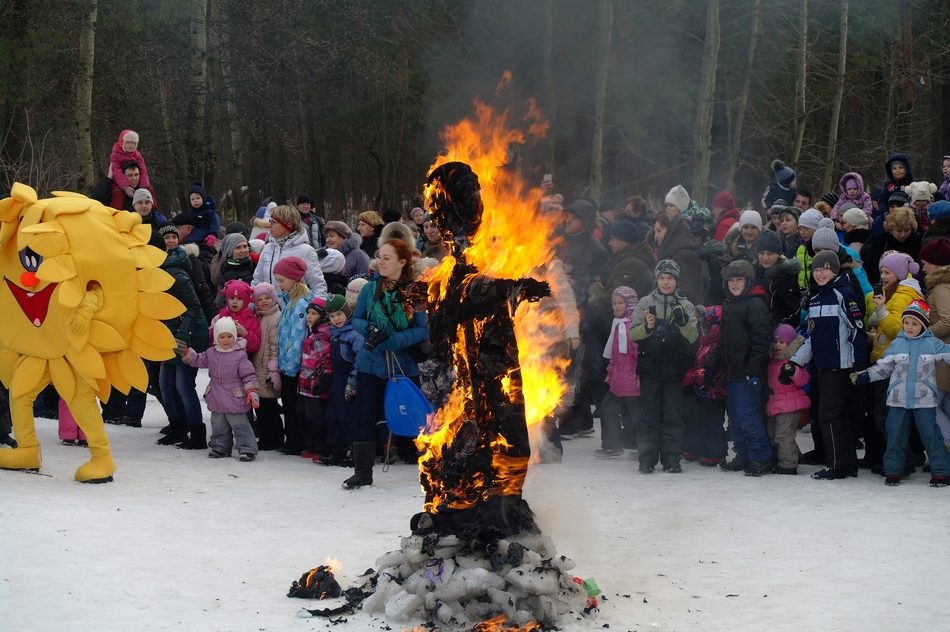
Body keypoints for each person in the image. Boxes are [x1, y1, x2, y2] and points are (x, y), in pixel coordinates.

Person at [346, 239, 429, 489]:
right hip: (370, 363)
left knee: (416, 414)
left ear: (402, 262)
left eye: (387, 258)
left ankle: (429, 466)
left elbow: (422, 330)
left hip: (403, 364)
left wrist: (394, 340)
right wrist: (370, 330)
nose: (380, 262)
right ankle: (362, 472)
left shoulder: (416, 292)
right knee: (365, 417)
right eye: (379, 256)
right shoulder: (370, 290)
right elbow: (356, 319)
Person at [787, 251, 867, 480]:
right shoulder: (815, 299)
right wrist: (794, 361)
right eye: (816, 270)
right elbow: (812, 338)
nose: (819, 273)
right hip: (822, 366)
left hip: (840, 366)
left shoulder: (843, 294)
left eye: (824, 269)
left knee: (829, 414)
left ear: (834, 270)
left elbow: (856, 330)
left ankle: (837, 465)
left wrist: (858, 362)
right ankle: (846, 462)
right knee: (834, 414)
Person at [854, 300, 950, 487]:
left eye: (914, 324)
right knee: (895, 435)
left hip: (924, 400)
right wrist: (863, 376)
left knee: (931, 435)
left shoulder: (932, 344)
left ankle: (941, 471)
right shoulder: (897, 344)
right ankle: (893, 470)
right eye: (906, 322)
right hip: (898, 399)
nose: (909, 327)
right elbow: (882, 368)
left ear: (923, 324)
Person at [629, 259, 698, 473]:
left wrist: (683, 322)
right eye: (662, 278)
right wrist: (647, 328)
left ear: (677, 280)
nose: (666, 282)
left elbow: (693, 337)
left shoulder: (686, 305)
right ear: (656, 280)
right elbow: (633, 334)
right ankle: (647, 459)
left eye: (670, 278)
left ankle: (671, 459)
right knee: (648, 416)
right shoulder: (645, 303)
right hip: (649, 370)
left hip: (673, 371)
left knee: (673, 416)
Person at [705, 261, 772, 476]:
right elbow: (722, 340)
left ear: (748, 281)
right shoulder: (730, 304)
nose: (734, 284)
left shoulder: (755, 304)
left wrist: (753, 372)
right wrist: (711, 365)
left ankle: (760, 458)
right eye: (731, 280)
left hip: (746, 374)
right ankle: (743, 455)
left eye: (739, 280)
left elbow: (760, 342)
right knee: (734, 419)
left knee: (748, 417)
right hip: (732, 373)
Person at [557, 199, 610, 438]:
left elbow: (600, 282)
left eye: (575, 217)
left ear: (586, 223)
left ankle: (572, 421)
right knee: (563, 369)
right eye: (568, 216)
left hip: (583, 317)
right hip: (557, 314)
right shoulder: (558, 240)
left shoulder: (596, 249)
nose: (568, 220)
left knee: (577, 370)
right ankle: (583, 419)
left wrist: (578, 285)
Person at [182, 317, 260, 461]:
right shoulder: (211, 353)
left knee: (240, 425)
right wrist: (187, 353)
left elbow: (249, 375)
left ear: (235, 337)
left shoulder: (240, 355)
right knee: (219, 425)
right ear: (217, 337)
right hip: (217, 397)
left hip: (234, 398)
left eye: (229, 336)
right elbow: (198, 360)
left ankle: (247, 449)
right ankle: (220, 448)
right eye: (222, 337)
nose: (226, 340)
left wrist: (251, 391)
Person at [158, 240, 210, 449]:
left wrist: (183, 335)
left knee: (183, 386)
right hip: (168, 336)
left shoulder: (176, 275)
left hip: (187, 336)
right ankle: (177, 428)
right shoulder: (153, 275)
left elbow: (194, 306)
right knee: (165, 385)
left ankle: (197, 434)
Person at [272, 256, 316, 456]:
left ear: (294, 279)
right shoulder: (289, 300)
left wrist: (289, 366)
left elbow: (296, 338)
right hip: (287, 363)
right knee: (289, 403)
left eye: (282, 280)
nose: (279, 285)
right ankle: (292, 439)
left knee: (293, 405)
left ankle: (296, 441)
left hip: (294, 366)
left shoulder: (299, 305)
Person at [595, 286, 640, 458]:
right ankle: (612, 445)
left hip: (633, 382)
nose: (616, 306)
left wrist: (639, 375)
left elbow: (637, 354)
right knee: (607, 409)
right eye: (614, 303)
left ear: (630, 304)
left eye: (620, 303)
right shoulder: (617, 324)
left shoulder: (632, 327)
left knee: (638, 417)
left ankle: (645, 448)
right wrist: (610, 372)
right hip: (618, 381)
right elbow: (615, 354)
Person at [251, 204, 327, 295]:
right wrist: (252, 305)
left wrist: (315, 308)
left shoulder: (306, 251)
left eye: (273, 222)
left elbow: (318, 285)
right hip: (269, 307)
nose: (269, 225)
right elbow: (257, 281)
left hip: (296, 307)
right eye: (270, 221)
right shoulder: (268, 248)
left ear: (287, 225)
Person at [324, 294, 362, 466]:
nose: (336, 319)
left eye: (339, 314)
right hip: (335, 378)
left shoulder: (354, 334)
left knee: (349, 416)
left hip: (348, 377)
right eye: (332, 316)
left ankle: (354, 450)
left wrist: (353, 380)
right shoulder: (334, 333)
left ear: (347, 312)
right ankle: (336, 448)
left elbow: (360, 358)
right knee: (333, 415)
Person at [921, 237, 950, 446]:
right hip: (944, 351)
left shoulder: (940, 286)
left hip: (942, 353)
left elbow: (948, 319)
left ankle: (947, 444)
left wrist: (925, 336)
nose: (923, 269)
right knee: (946, 404)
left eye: (925, 263)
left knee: (931, 404)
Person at [769, 324, 809, 475]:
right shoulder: (773, 360)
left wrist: (793, 372)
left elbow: (804, 379)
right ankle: (795, 456)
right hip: (776, 402)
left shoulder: (793, 360)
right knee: (773, 433)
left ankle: (788, 464)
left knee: (783, 434)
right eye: (776, 342)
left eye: (782, 342)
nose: (778, 345)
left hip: (790, 403)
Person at [298, 297, 333, 461]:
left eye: (314, 313)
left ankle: (322, 447)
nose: (309, 316)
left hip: (315, 385)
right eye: (308, 313)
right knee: (302, 414)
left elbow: (327, 359)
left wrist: (324, 378)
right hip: (304, 384)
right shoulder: (312, 332)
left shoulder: (322, 336)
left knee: (316, 418)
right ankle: (310, 444)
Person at [250, 283, 283, 451]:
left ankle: (272, 439)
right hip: (259, 367)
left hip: (267, 368)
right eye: (260, 299)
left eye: (267, 298)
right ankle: (268, 437)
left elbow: (274, 345)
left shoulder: (275, 317)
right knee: (262, 407)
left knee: (269, 407)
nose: (263, 302)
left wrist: (273, 368)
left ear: (274, 299)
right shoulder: (259, 316)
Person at [753, 229, 803, 328]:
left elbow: (792, 313)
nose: (765, 257)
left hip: (776, 332)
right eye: (762, 253)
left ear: (778, 254)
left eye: (770, 253)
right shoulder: (755, 273)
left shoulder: (786, 278)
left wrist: (778, 331)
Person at [860, 207, 921, 286]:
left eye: (907, 230)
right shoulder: (881, 241)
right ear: (891, 229)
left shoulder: (917, 241)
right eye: (899, 231)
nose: (903, 234)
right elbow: (869, 264)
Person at [652, 212, 703, 306]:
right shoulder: (665, 254)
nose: (655, 236)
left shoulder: (685, 255)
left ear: (671, 231)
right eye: (655, 231)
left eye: (659, 231)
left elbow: (688, 293)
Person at [209, 280, 261, 354]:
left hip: (241, 360)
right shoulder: (220, 317)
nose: (235, 301)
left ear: (246, 300)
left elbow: (255, 346)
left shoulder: (251, 320)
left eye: (239, 299)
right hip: (221, 357)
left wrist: (245, 333)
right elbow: (210, 340)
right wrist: (218, 329)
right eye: (232, 298)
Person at [210, 233, 255, 304]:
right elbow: (217, 279)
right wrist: (224, 259)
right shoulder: (224, 266)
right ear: (229, 250)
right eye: (238, 247)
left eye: (245, 246)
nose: (243, 250)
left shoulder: (253, 263)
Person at [109, 130, 152, 201]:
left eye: (133, 142)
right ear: (122, 142)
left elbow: (143, 170)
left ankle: (153, 209)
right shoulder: (115, 155)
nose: (131, 145)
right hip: (121, 181)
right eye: (128, 142)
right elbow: (117, 171)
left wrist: (144, 185)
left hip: (136, 179)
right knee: (117, 193)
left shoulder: (137, 154)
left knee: (149, 190)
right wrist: (125, 186)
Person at [183, 181, 220, 248]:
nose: (195, 201)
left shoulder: (209, 212)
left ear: (203, 199)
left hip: (205, 230)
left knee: (193, 240)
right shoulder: (192, 213)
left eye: (198, 198)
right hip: (194, 230)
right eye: (192, 199)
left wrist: (212, 234)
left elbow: (215, 223)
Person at [794, 208, 823, 289]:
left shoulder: (822, 248)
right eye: (800, 229)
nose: (802, 232)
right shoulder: (801, 248)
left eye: (806, 228)